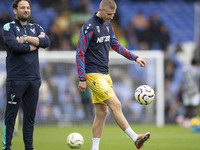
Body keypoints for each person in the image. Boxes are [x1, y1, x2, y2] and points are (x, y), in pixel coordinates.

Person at [76, 0, 150, 150]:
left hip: (104, 73)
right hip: (93, 74)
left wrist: (135, 57)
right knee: (116, 104)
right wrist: (82, 77)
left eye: (113, 14)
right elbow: (80, 52)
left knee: (102, 112)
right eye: (109, 14)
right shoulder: (89, 27)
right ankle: (135, 138)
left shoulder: (108, 26)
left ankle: (94, 148)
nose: (111, 17)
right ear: (100, 10)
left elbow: (116, 45)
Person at [1, 0, 50, 150]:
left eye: (28, 7)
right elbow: (15, 46)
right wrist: (35, 45)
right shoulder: (8, 27)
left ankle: (29, 147)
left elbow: (46, 42)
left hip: (34, 79)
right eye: (22, 8)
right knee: (10, 117)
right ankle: (6, 147)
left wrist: (27, 39)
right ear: (15, 10)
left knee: (30, 118)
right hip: (16, 79)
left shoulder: (36, 27)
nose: (26, 10)